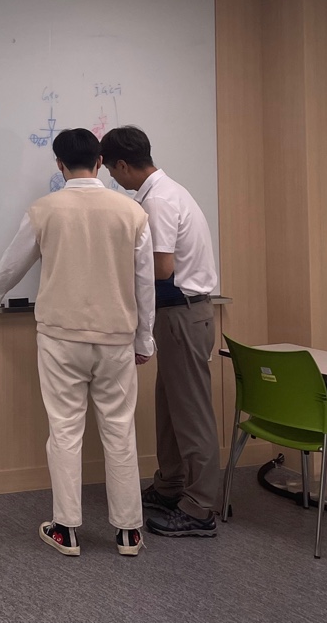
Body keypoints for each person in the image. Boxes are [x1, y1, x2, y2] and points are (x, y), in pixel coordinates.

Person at [0, 128, 155, 557]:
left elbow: (14, 261)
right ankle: (129, 532)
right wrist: (144, 338)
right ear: (100, 162)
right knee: (120, 431)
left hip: (60, 338)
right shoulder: (132, 212)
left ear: (59, 164)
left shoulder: (45, 209)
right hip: (115, 338)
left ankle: (66, 529)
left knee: (65, 430)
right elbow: (144, 283)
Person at [101, 125, 220, 539]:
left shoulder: (160, 200)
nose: (112, 179)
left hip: (182, 314)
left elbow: (162, 268)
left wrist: (112, 272)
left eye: (111, 171)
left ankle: (200, 506)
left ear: (122, 164)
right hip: (175, 315)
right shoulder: (160, 193)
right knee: (169, 407)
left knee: (191, 413)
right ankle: (170, 485)